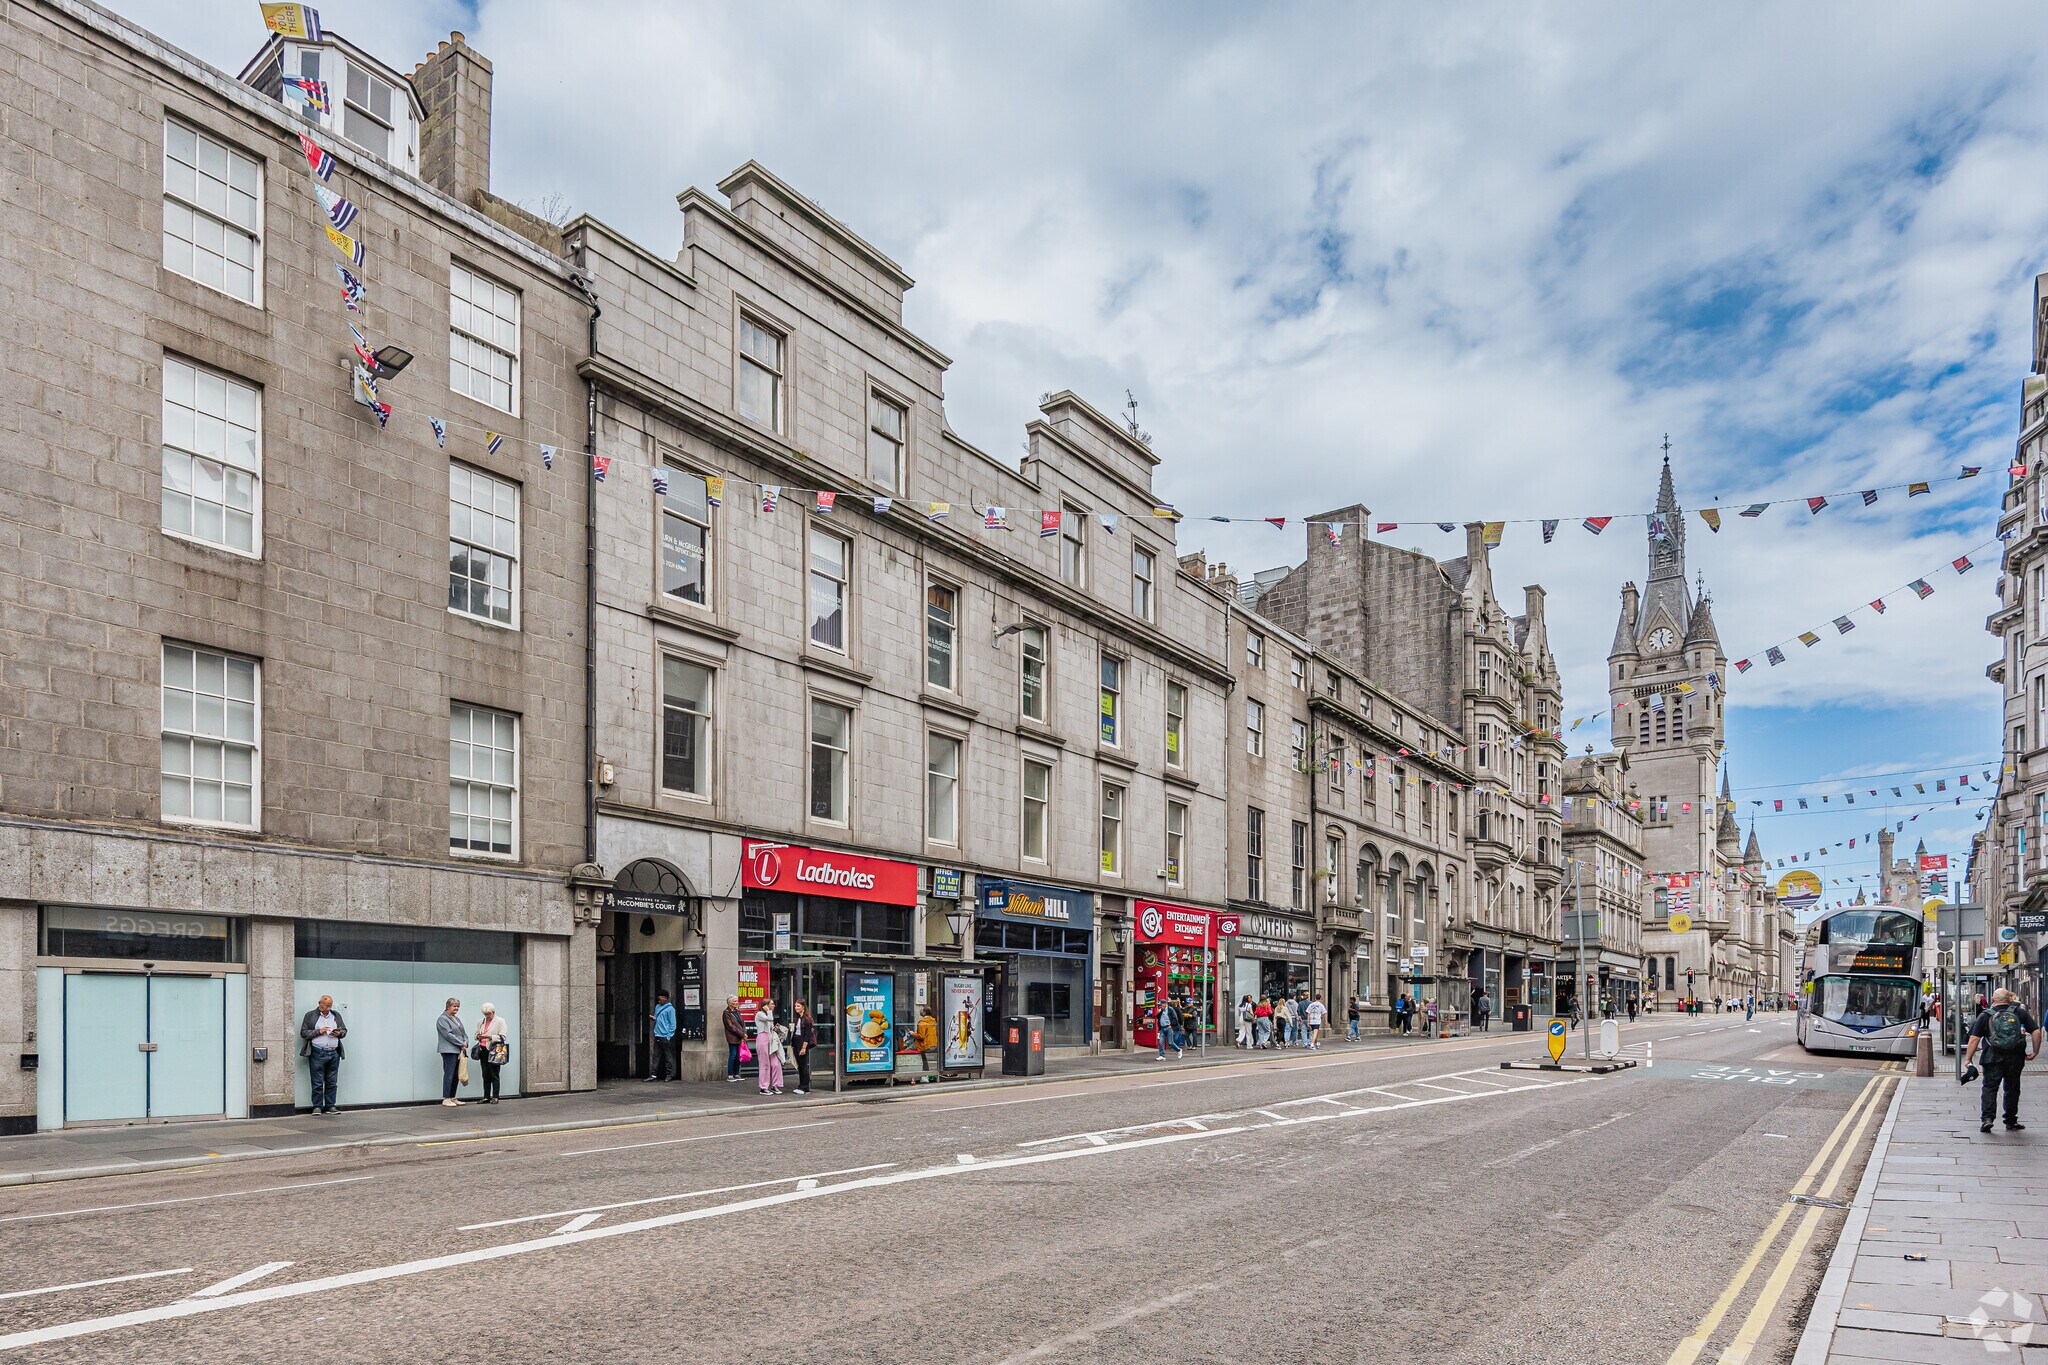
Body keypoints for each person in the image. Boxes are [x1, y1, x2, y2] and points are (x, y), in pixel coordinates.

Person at [1963, 987, 2042, 1134]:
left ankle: (1987, 1119)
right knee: (2012, 1089)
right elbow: (2036, 1032)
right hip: (2015, 1057)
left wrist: (1968, 1058)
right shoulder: (2020, 1013)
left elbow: (1974, 1038)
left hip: (1992, 1058)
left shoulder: (1985, 1015)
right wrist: (2035, 1051)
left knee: (1989, 1088)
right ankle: (2010, 1121)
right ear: (2009, 999)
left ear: (1993, 1000)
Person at [299, 994, 345, 1115]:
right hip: (317, 1052)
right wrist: (319, 1031)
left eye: (330, 1006)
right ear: (319, 1003)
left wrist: (339, 1033)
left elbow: (344, 1030)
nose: (328, 1008)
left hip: (334, 1052)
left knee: (332, 1081)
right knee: (317, 1081)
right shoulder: (310, 1015)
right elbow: (304, 1033)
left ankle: (330, 1106)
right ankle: (317, 1106)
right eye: (326, 1006)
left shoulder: (336, 1015)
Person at [474, 1003, 509, 1104]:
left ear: (493, 1012)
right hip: (483, 1050)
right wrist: (478, 1036)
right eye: (485, 1014)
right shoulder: (481, 1022)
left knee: (494, 1074)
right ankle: (486, 1096)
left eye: (488, 1014)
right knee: (485, 1074)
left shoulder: (500, 1021)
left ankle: (495, 1096)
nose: (487, 1016)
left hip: (494, 1050)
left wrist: (489, 1037)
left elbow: (502, 1036)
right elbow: (476, 1034)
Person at [436, 997, 468, 1106]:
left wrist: (466, 1042)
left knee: (455, 1075)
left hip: (458, 1050)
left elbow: (463, 1033)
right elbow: (448, 1035)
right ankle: (446, 1098)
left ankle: (453, 1097)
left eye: (458, 1006)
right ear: (448, 1006)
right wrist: (461, 1043)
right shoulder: (442, 1019)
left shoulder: (456, 1019)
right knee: (449, 1074)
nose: (457, 1008)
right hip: (449, 1051)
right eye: (454, 1006)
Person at [754, 1000, 785, 1095]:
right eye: (772, 1004)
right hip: (762, 1038)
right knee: (765, 1064)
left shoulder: (767, 1014)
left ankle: (775, 1084)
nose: (774, 1005)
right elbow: (769, 1019)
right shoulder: (760, 1014)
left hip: (771, 1039)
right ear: (765, 1005)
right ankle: (763, 1087)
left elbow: (770, 1024)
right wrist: (769, 1011)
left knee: (776, 1063)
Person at [647, 990, 678, 1082]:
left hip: (665, 1035)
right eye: (658, 999)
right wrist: (654, 1018)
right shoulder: (657, 1007)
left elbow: (673, 1024)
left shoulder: (670, 1009)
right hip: (657, 1034)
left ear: (665, 998)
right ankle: (653, 1075)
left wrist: (669, 1036)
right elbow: (658, 1018)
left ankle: (669, 1074)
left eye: (661, 999)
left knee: (668, 1056)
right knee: (656, 1055)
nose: (659, 1001)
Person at [788, 1000, 816, 1095]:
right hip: (796, 1041)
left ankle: (804, 1087)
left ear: (803, 1007)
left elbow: (807, 1035)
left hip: (802, 1042)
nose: (796, 1008)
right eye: (795, 1006)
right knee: (800, 1065)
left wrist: (804, 1048)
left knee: (803, 1065)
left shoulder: (807, 1019)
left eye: (798, 1006)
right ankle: (803, 1086)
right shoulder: (798, 1018)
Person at [907, 1005, 940, 1074]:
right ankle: (925, 1071)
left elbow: (921, 1036)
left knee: (906, 1050)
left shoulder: (922, 1023)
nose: (920, 1011)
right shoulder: (933, 1021)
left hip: (925, 1045)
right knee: (922, 1054)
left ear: (924, 1012)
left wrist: (912, 1033)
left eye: (921, 1010)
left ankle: (909, 1069)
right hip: (933, 1044)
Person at [722, 997, 745, 1082]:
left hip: (740, 1037)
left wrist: (744, 1033)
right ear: (729, 1003)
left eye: (736, 1001)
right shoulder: (726, 1013)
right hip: (732, 1037)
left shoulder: (737, 1012)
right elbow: (731, 1027)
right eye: (734, 1001)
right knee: (733, 1055)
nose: (736, 1002)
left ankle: (736, 1074)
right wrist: (742, 1034)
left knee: (738, 1055)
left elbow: (742, 1024)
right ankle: (730, 1075)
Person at [1154, 996, 1183, 1060]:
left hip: (1169, 1028)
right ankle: (1162, 1056)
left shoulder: (1170, 1010)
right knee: (1161, 1043)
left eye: (1161, 1005)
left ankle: (1179, 1050)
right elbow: (1157, 1017)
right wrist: (1158, 1012)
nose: (1160, 1006)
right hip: (1162, 1028)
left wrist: (1171, 1025)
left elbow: (1175, 1018)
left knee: (1170, 1042)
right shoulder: (1161, 1011)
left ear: (1165, 1004)